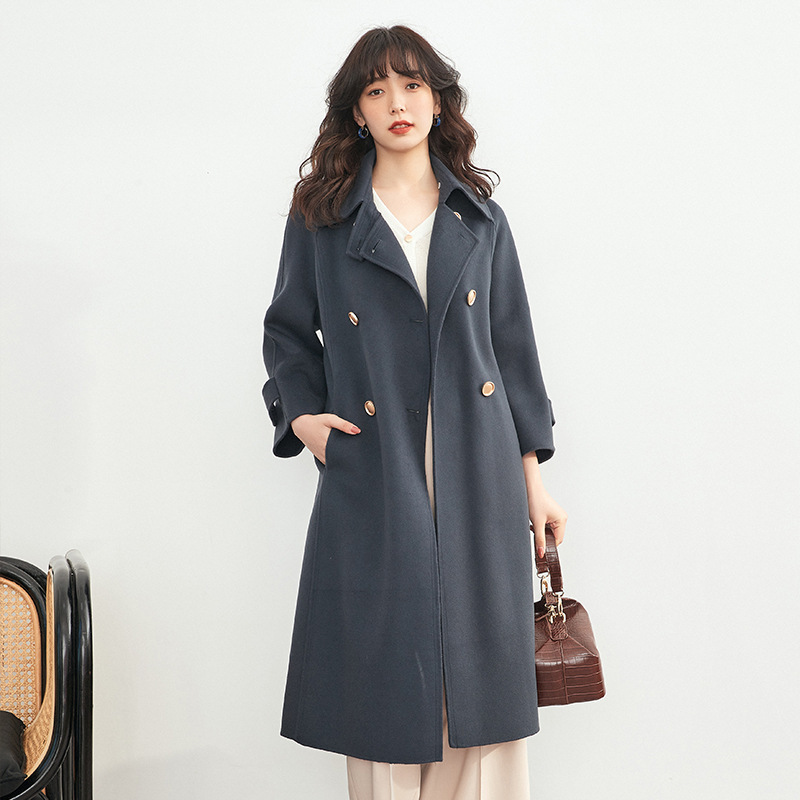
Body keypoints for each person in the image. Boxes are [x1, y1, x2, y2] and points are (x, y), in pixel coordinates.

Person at [261, 24, 568, 800]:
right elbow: (288, 331)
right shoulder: (323, 217)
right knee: (383, 681)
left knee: (479, 682)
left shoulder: (481, 218)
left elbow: (512, 354)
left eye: (411, 85)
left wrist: (533, 484)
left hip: (477, 462)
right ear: (356, 112)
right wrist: (303, 419)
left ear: (437, 101)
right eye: (377, 89)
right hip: (376, 459)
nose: (396, 102)